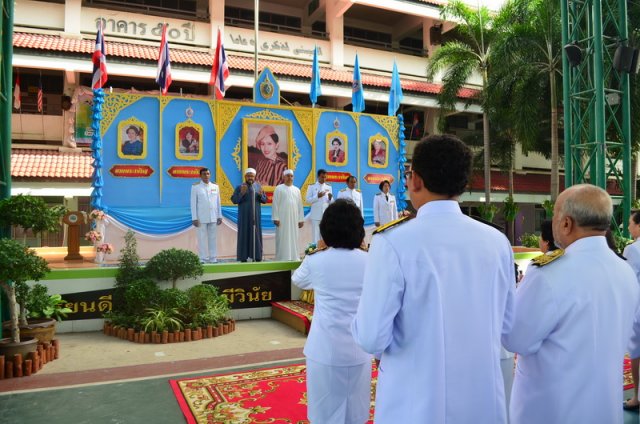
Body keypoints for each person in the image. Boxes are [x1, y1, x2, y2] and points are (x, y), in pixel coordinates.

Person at [352, 134, 515, 423]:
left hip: (415, 403)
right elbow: (508, 325)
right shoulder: (496, 241)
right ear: (464, 184)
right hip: (481, 401)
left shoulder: (393, 242)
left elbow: (370, 336)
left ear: (415, 180)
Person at [502, 184, 640, 424]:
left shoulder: (547, 272)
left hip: (554, 409)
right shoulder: (624, 270)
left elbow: (516, 339)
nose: (553, 221)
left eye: (555, 215)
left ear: (566, 223)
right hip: (605, 407)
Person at [291, 199, 371, 424]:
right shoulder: (369, 260)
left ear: (326, 229)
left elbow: (298, 280)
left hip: (324, 349)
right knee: (356, 412)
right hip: (359, 348)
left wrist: (317, 249)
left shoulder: (316, 260)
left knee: (323, 413)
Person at [230, 168, 267, 262]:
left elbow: (265, 200)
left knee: (256, 235)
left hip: (256, 217)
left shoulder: (258, 187)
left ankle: (257, 256)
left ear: (255, 177)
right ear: (245, 176)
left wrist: (260, 195)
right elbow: (234, 200)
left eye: (252, 176)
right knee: (244, 235)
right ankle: (243, 257)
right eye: (248, 176)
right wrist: (241, 193)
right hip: (244, 217)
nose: (250, 178)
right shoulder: (239, 187)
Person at [623, 210, 640, 411]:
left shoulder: (633, 249)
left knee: (636, 353)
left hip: (638, 308)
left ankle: (636, 396)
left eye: (631, 223)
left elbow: (628, 281)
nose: (628, 227)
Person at [190, 168, 222, 263]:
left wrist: (219, 215)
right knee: (202, 238)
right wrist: (194, 218)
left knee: (213, 238)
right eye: (204, 174)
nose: (206, 176)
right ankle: (203, 258)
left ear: (210, 175)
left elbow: (218, 202)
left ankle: (213, 258)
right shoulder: (195, 187)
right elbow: (193, 203)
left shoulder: (215, 186)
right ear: (200, 176)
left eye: (208, 174)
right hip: (201, 217)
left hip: (213, 216)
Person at [272, 169, 304, 261]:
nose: (290, 178)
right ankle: (282, 257)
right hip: (282, 219)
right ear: (283, 177)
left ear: (293, 177)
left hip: (294, 219)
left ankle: (294, 257)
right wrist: (275, 217)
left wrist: (301, 219)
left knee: (294, 237)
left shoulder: (297, 190)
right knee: (282, 238)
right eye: (288, 176)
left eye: (291, 176)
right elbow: (275, 204)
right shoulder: (278, 188)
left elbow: (299, 205)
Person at [305, 169, 333, 244]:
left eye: (325, 177)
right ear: (318, 176)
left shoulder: (328, 187)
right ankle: (315, 252)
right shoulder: (312, 186)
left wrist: (330, 199)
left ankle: (323, 253)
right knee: (315, 236)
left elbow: (331, 202)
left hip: (325, 215)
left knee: (325, 235)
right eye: (322, 177)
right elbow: (307, 200)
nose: (323, 179)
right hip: (316, 215)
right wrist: (317, 196)